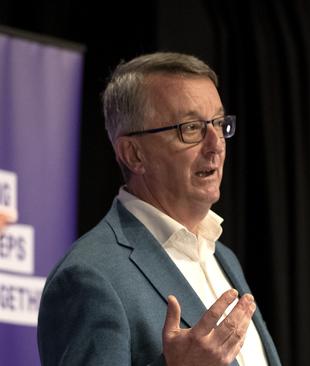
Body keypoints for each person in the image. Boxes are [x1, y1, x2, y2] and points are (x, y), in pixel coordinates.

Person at [37, 52, 281, 366]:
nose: (216, 144)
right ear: (134, 154)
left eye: (219, 124)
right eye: (191, 128)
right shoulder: (89, 275)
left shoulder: (222, 256)